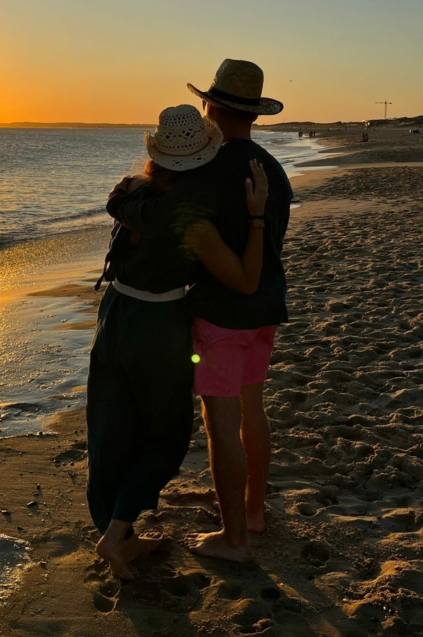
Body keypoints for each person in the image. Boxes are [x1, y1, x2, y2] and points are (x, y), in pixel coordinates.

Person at [108, 60, 291, 564]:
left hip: (221, 312)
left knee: (220, 423)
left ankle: (234, 540)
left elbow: (163, 215)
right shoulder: (270, 167)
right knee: (253, 409)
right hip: (267, 308)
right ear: (251, 112)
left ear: (212, 107)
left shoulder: (211, 172)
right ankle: (252, 512)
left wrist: (121, 200)